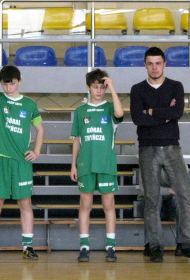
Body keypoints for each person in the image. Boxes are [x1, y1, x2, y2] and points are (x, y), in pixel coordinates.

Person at [130, 46, 190, 263]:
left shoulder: (176, 86)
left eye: (158, 63)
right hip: (147, 148)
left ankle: (187, 245)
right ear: (145, 65)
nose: (154, 67)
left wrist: (151, 111)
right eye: (150, 63)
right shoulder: (137, 89)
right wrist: (165, 114)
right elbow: (137, 119)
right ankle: (155, 247)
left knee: (185, 197)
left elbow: (177, 113)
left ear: (164, 64)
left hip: (172, 147)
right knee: (151, 199)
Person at [0, 66, 45, 260]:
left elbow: (40, 130)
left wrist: (36, 151)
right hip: (0, 159)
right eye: (5, 83)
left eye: (12, 82)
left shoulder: (29, 104)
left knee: (25, 203)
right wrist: (4, 70)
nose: (8, 87)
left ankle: (28, 247)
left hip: (21, 161)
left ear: (19, 81)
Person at [70, 69, 123, 262]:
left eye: (102, 87)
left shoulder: (109, 108)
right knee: (86, 205)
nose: (99, 91)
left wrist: (114, 89)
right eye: (95, 87)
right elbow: (77, 139)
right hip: (85, 165)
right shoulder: (80, 111)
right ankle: (84, 246)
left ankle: (111, 246)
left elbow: (120, 113)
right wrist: (73, 165)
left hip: (106, 164)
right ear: (88, 88)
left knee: (109, 205)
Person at [137, 168, 181, 257]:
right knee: (155, 198)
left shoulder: (178, 163)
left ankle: (182, 244)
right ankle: (151, 244)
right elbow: (146, 190)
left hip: (168, 203)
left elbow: (180, 189)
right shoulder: (146, 161)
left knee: (181, 201)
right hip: (148, 203)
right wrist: (168, 190)